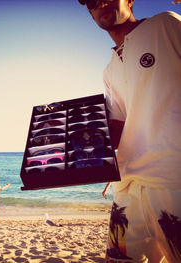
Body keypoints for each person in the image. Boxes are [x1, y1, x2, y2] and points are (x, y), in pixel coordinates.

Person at [78, 0, 181, 262]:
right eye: (90, 1)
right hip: (126, 189)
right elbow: (117, 127)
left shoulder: (166, 25)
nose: (99, 2)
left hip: (173, 182)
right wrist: (73, 147)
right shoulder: (109, 69)